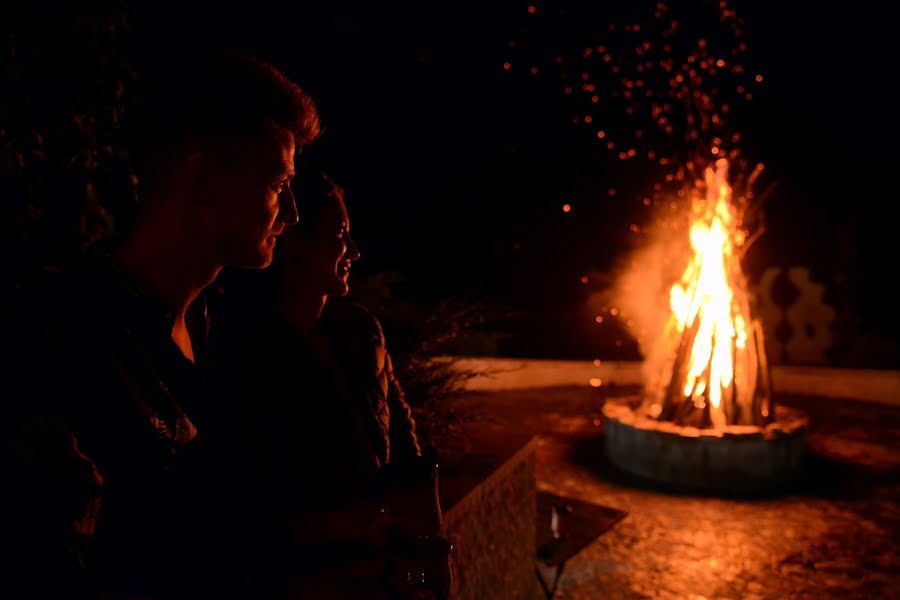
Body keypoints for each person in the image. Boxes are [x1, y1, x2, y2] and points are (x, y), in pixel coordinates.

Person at [2, 51, 319, 599]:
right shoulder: (62, 345)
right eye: (277, 183)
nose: (291, 212)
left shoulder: (223, 329)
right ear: (201, 179)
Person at [216, 168, 450, 598]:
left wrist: (430, 553)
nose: (355, 251)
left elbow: (403, 444)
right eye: (340, 233)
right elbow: (234, 500)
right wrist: (338, 525)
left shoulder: (360, 331)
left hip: (383, 574)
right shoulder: (242, 349)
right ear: (293, 243)